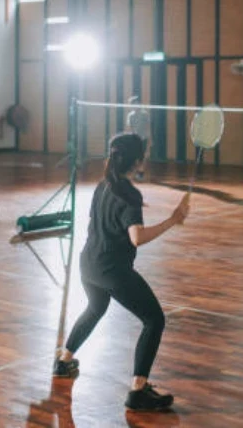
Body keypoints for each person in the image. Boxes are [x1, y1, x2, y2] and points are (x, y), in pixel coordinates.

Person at [52, 133, 190, 411]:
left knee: (96, 307)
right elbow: (136, 238)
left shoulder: (103, 186)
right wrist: (173, 220)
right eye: (144, 155)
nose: (146, 159)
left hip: (88, 264)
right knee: (154, 319)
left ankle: (64, 361)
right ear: (137, 161)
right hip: (111, 270)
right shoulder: (129, 195)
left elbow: (102, 221)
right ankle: (138, 391)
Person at [125, 96, 151, 180]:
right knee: (135, 157)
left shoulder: (145, 114)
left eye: (135, 104)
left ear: (139, 104)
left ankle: (140, 173)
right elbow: (129, 128)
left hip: (144, 138)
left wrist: (150, 139)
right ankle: (136, 172)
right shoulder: (130, 115)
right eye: (132, 104)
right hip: (134, 139)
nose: (134, 106)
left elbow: (148, 127)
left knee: (143, 157)